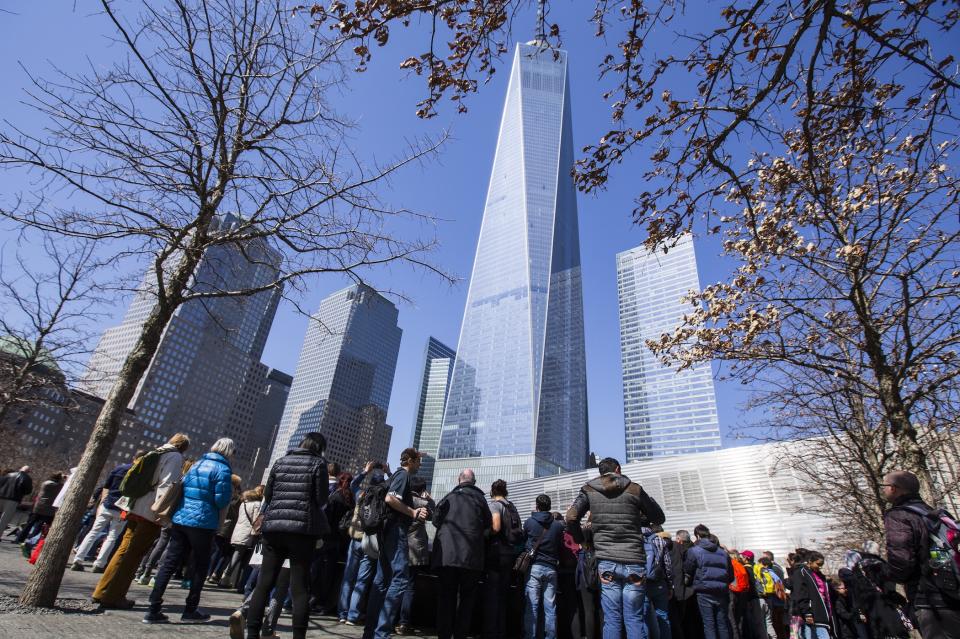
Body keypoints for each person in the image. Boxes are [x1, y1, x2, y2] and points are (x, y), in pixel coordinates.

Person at [239, 432, 329, 639]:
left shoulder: (280, 462)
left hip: (274, 528)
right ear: (320, 447)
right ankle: (298, 636)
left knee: (264, 582)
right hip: (302, 532)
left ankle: (252, 632)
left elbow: (268, 495)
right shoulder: (319, 464)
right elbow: (321, 499)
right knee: (299, 588)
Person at [566, 456, 666, 639]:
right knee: (634, 618)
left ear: (600, 472)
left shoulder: (589, 489)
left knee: (612, 619)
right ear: (618, 469)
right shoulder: (635, 489)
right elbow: (659, 518)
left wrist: (583, 541)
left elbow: (571, 517)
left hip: (606, 562)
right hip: (634, 560)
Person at [93, 432, 189, 609]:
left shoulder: (155, 452)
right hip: (149, 511)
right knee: (134, 554)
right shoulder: (174, 457)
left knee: (123, 549)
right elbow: (167, 484)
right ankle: (115, 596)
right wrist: (162, 513)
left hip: (134, 505)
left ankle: (101, 591)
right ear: (184, 447)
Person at [143, 437, 234, 624]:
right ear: (229, 452)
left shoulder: (197, 465)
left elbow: (182, 488)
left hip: (181, 519)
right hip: (203, 523)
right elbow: (221, 501)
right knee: (200, 566)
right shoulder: (223, 470)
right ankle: (190, 609)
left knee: (169, 563)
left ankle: (153, 608)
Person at [881, 469, 960, 639]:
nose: (883, 489)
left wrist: (889, 575)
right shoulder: (932, 512)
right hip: (953, 588)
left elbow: (901, 560)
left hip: (929, 598)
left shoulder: (899, 515)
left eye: (885, 486)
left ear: (894, 488)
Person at [362, 447, 428, 639]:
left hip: (387, 530)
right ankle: (381, 633)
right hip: (396, 530)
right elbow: (390, 498)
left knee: (382, 580)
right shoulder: (404, 475)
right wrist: (413, 512)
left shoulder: (397, 475)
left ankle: (370, 632)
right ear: (410, 462)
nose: (420, 464)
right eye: (418, 461)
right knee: (400, 580)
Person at [433, 469, 491, 639]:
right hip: (471, 559)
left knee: (446, 597)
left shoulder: (449, 497)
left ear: (459, 480)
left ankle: (443, 634)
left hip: (447, 557)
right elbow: (488, 526)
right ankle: (460, 635)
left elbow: (435, 520)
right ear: (474, 481)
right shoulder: (481, 500)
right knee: (467, 600)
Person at [71, 451, 145, 572]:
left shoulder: (119, 468)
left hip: (108, 504)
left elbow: (106, 486)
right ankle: (99, 564)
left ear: (134, 457)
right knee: (112, 536)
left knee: (93, 532)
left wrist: (102, 502)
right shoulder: (141, 475)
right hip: (123, 509)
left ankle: (78, 559)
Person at [339, 466, 385, 625]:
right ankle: (353, 615)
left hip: (355, 539)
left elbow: (353, 484)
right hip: (371, 542)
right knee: (362, 580)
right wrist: (388, 472)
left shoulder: (361, 494)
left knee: (348, 578)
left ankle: (343, 613)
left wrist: (366, 471)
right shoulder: (383, 499)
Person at [484, 478, 523, 639]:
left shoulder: (495, 504)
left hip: (496, 555)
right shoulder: (511, 506)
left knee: (492, 595)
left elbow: (496, 526)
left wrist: (484, 533)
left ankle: (490, 633)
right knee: (503, 595)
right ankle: (501, 632)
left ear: (492, 492)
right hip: (509, 554)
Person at [523, 494, 565, 639]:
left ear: (537, 506)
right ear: (549, 506)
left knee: (532, 607)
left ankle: (531, 636)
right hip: (552, 568)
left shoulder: (529, 522)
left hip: (534, 567)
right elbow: (560, 546)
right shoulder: (558, 526)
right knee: (550, 607)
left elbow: (524, 541)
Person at [684, 524, 734, 639]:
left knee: (709, 624)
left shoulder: (694, 551)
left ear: (697, 536)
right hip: (721, 591)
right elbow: (730, 576)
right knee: (722, 624)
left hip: (704, 591)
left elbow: (688, 570)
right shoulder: (723, 553)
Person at [398, 475, 434, 635]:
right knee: (410, 586)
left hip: (399, 545)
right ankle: (404, 623)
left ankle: (388, 617)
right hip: (415, 549)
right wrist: (430, 500)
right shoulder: (424, 503)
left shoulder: (402, 500)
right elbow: (434, 516)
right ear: (423, 489)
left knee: (393, 582)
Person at [222, 485, 265, 591]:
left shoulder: (244, 503)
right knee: (240, 556)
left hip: (238, 530)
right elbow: (256, 521)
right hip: (248, 533)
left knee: (237, 554)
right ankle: (227, 577)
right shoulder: (257, 504)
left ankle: (228, 578)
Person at [788, 551, 834, 639]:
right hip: (812, 613)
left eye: (822, 564)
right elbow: (801, 593)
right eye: (818, 564)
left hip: (822, 612)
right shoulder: (801, 572)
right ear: (810, 561)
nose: (820, 567)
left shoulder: (817, 574)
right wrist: (807, 613)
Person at [208, 474, 244, 585]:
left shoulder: (223, 491)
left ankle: (209, 573)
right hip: (228, 528)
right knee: (224, 553)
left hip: (219, 524)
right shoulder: (237, 498)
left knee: (216, 550)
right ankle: (214, 574)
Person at [17, 471, 64, 547]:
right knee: (41, 526)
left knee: (30, 524)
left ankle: (20, 538)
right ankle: (31, 541)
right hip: (49, 509)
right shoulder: (58, 486)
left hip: (38, 506)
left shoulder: (45, 483)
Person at [643, 525, 674, 639]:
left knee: (642, 619)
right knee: (663, 617)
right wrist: (670, 585)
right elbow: (668, 565)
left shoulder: (632, 537)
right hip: (659, 582)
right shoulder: (659, 540)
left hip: (640, 583)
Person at [0, 466, 33, 537]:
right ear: (28, 471)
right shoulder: (27, 478)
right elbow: (28, 491)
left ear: (20, 469)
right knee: (4, 519)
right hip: (13, 499)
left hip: (1, 496)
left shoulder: (9, 475)